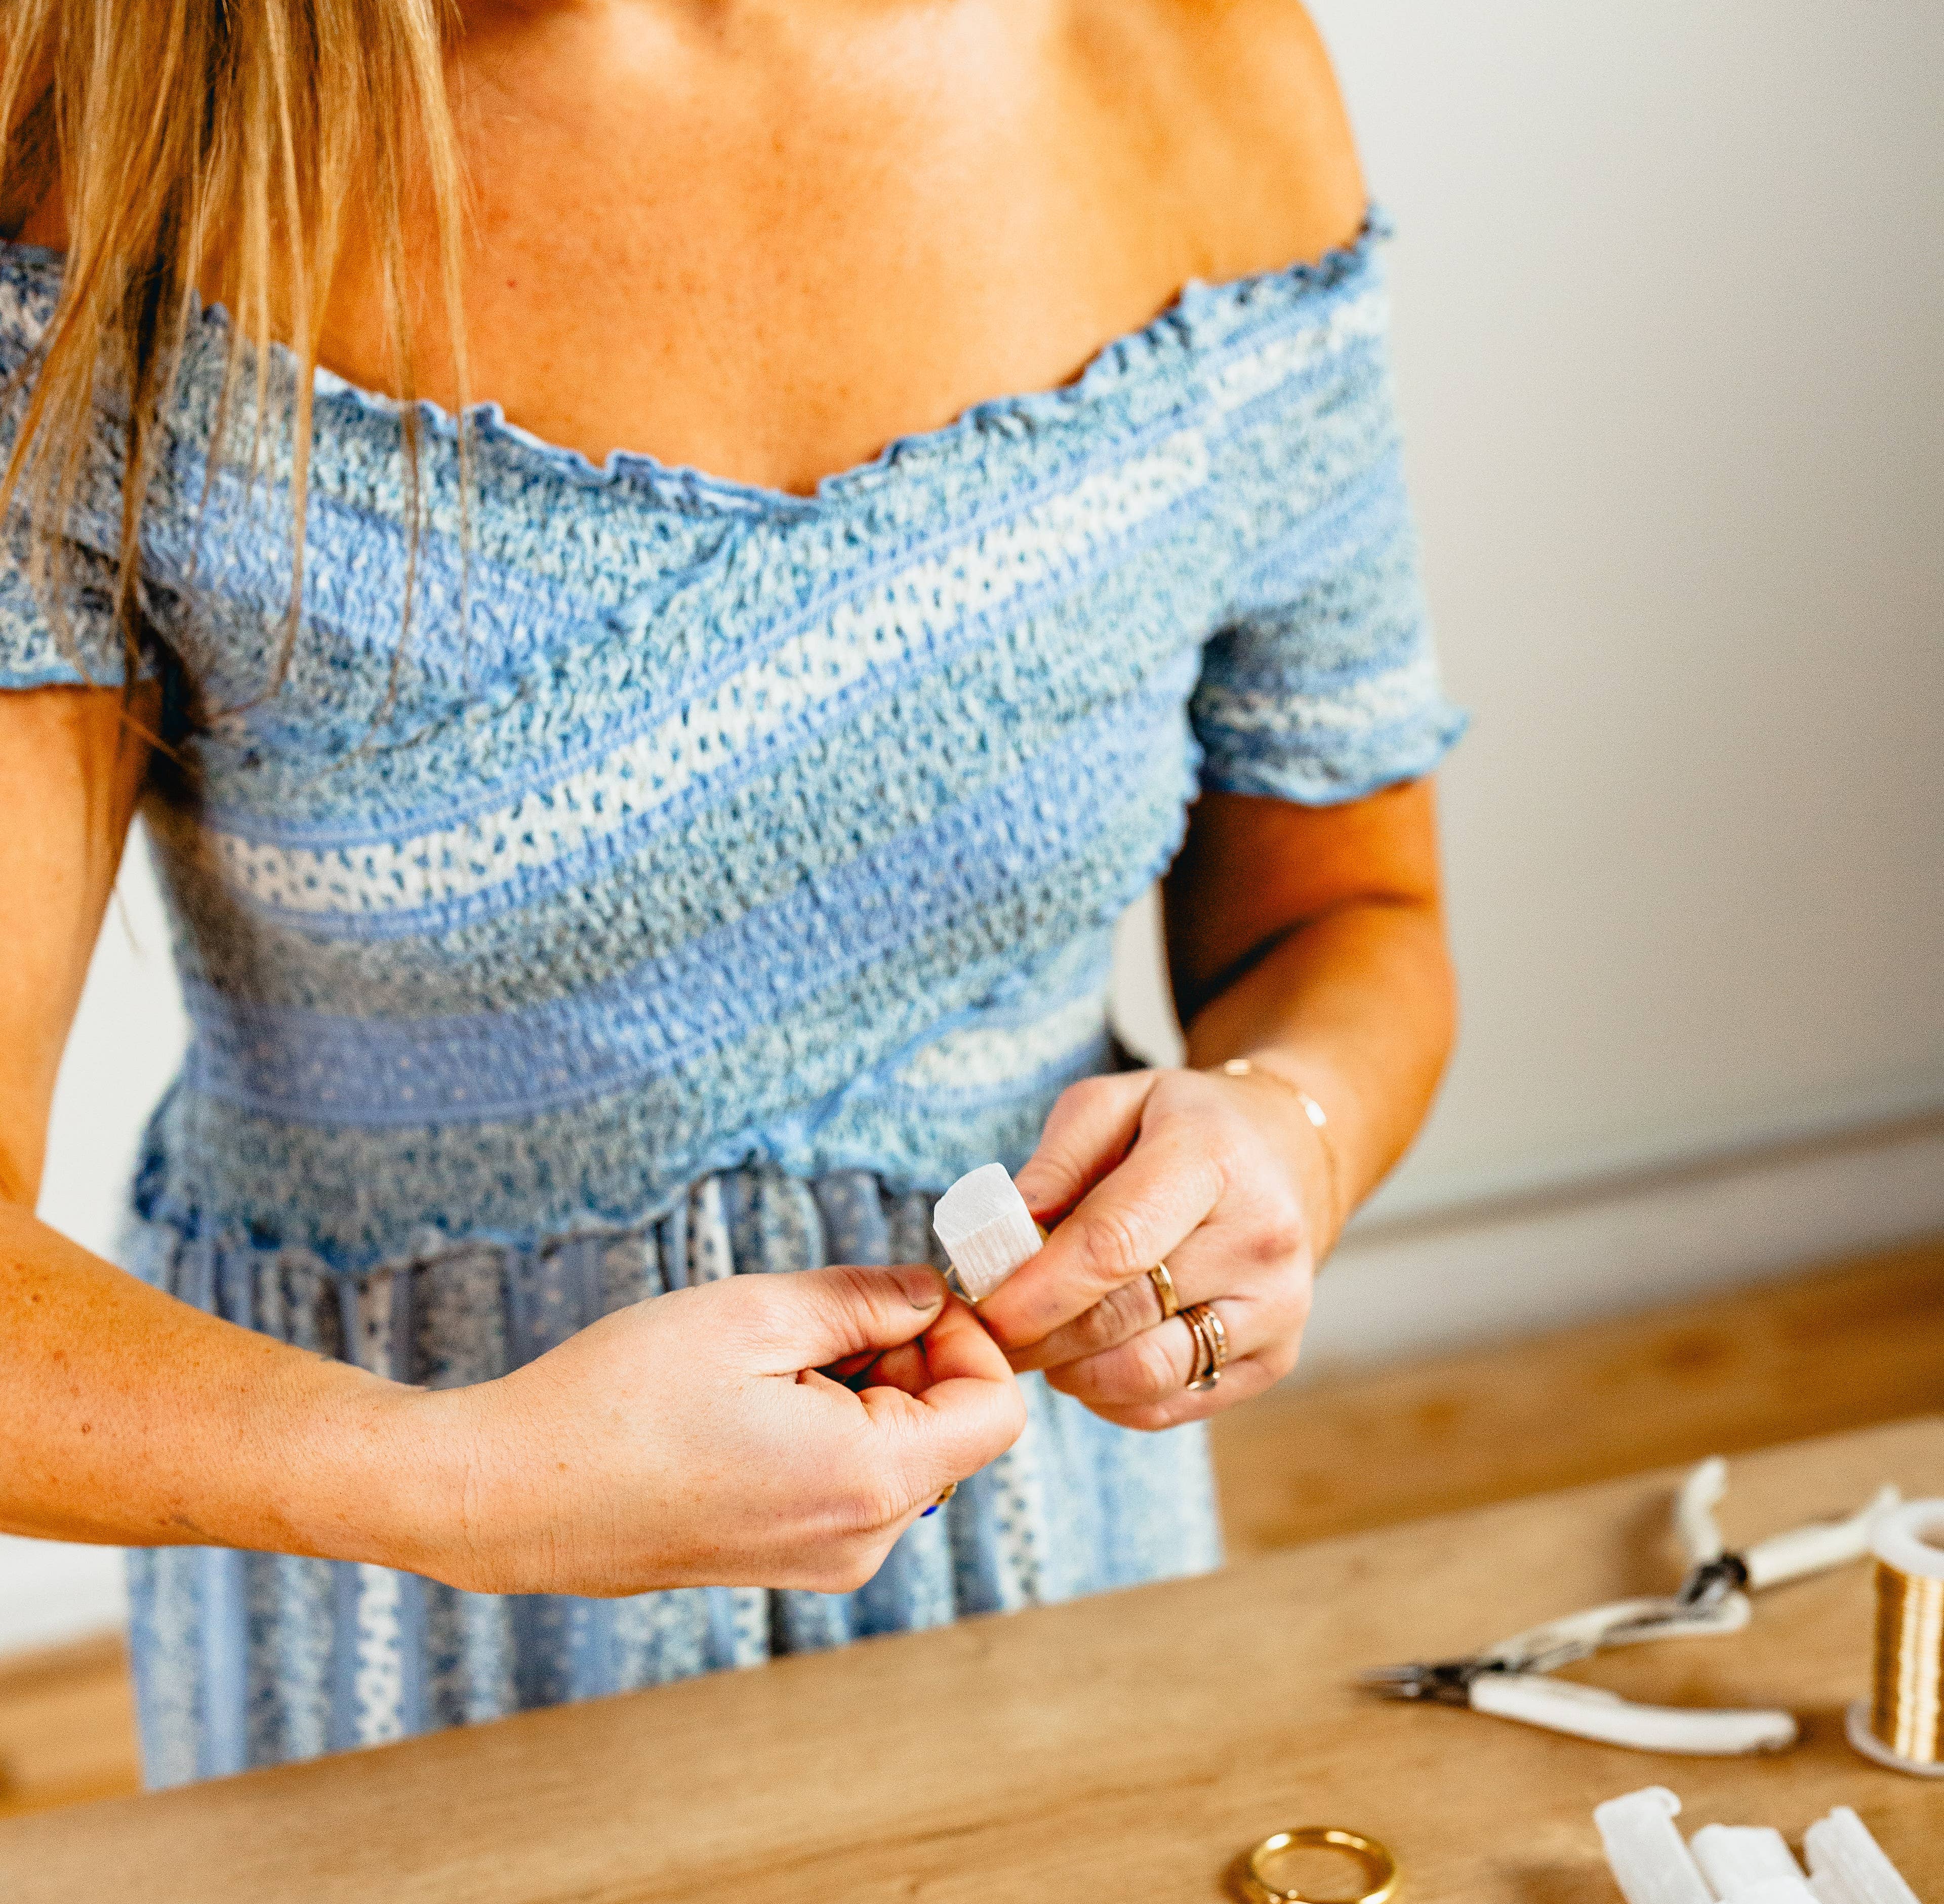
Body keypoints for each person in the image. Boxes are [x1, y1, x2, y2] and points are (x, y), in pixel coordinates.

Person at [0, 0, 1461, 1784]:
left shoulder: (1195, 62)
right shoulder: (90, 168)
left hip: (1059, 1576)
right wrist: (459, 1483)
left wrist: (1286, 1134)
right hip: (401, 1663)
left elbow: (1350, 920)